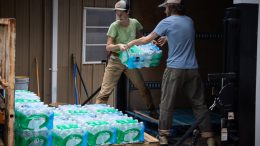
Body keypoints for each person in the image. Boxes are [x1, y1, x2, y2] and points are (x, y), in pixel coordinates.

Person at [125, 0, 216, 145]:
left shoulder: (166, 22)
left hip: (175, 70)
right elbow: (181, 34)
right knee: (199, 104)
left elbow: (146, 39)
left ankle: (164, 136)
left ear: (171, 7)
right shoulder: (189, 21)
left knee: (167, 103)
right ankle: (209, 136)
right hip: (192, 69)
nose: (164, 10)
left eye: (166, 7)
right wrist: (167, 38)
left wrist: (130, 43)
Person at [95, 0, 158, 119]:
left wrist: (150, 40)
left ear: (128, 12)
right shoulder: (114, 26)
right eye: (117, 12)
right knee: (104, 92)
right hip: (116, 60)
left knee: (143, 88)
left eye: (122, 12)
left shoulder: (134, 23)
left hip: (130, 61)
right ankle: (97, 117)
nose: (119, 15)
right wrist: (118, 46)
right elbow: (108, 47)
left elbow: (141, 38)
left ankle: (153, 112)